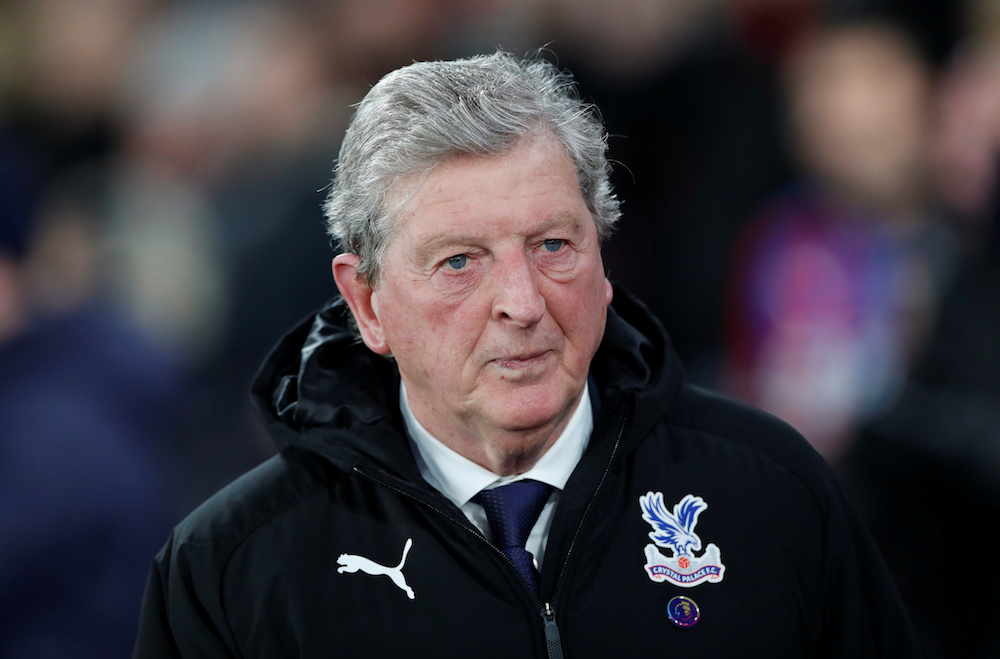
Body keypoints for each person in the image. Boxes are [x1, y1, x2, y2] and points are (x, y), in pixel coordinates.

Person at [133, 51, 924, 658]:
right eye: (459, 262)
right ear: (367, 303)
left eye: (552, 245)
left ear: (605, 260)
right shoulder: (231, 569)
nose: (523, 301)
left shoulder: (773, 492)